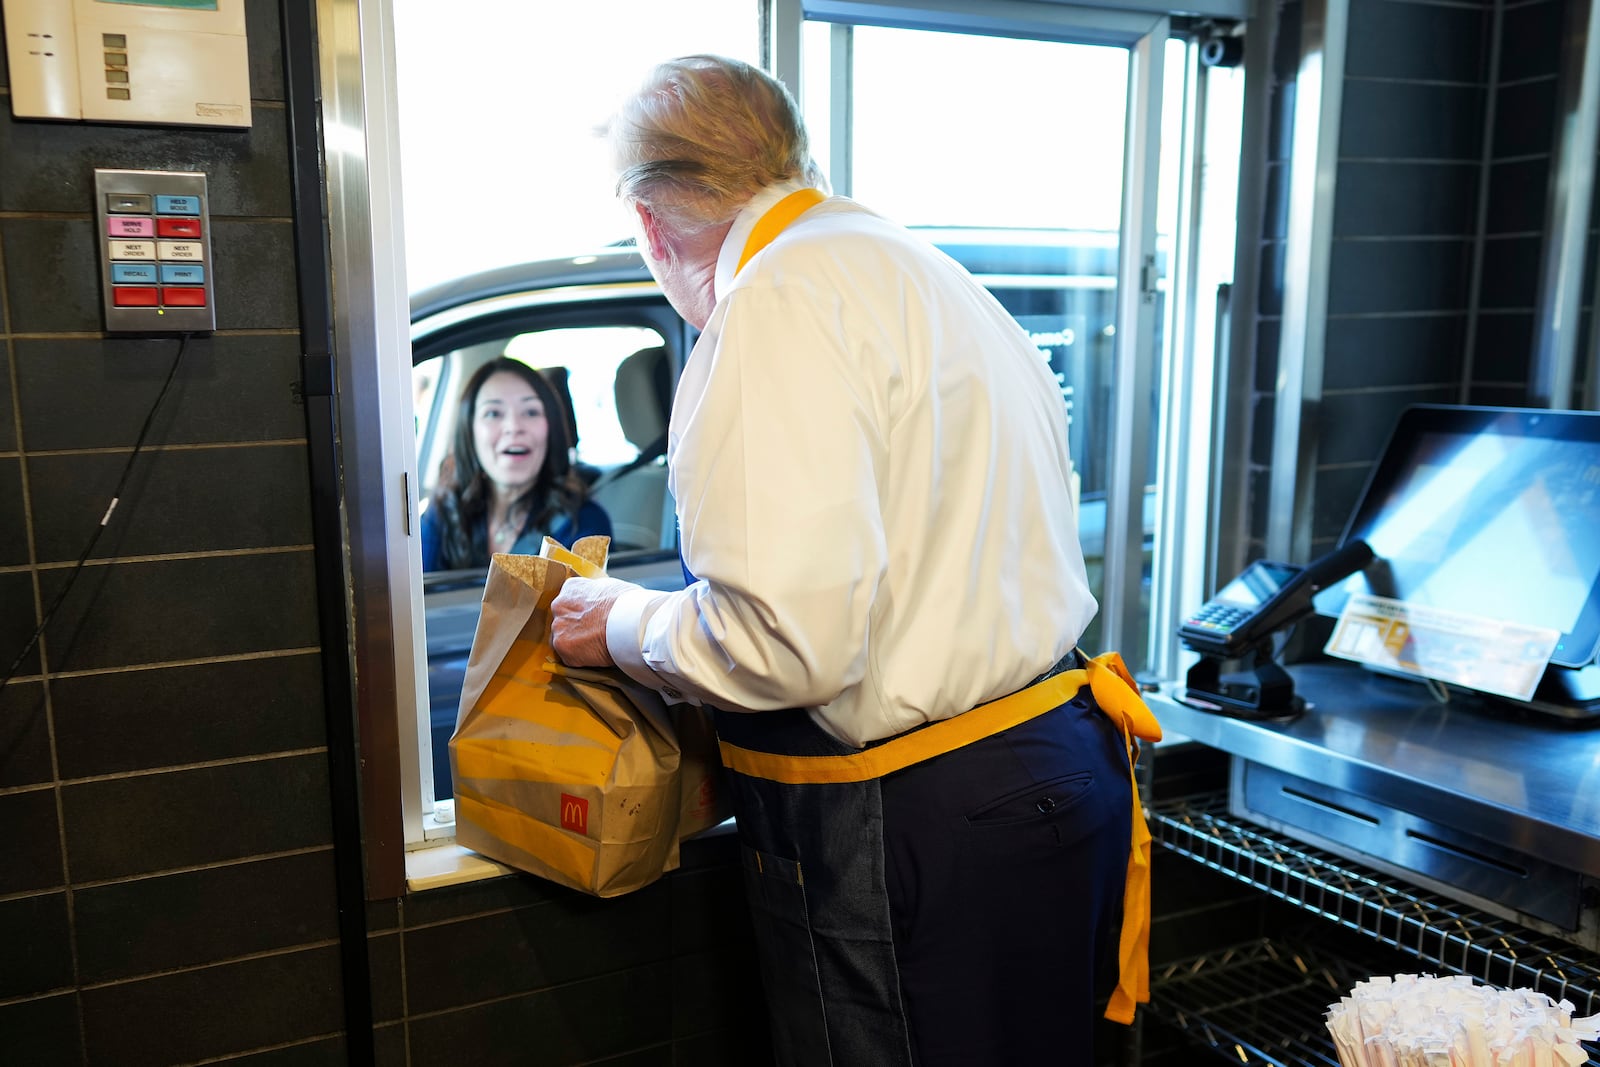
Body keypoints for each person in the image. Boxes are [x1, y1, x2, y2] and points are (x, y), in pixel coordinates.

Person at [549, 55, 1160, 1066]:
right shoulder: (920, 270)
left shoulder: (771, 306)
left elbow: (788, 645)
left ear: (652, 227)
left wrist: (619, 620)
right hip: (1060, 767)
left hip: (918, 819)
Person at [420, 357, 610, 571]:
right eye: (493, 413)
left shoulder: (584, 523)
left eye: (531, 412)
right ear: (469, 431)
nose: (513, 426)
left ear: (551, 427)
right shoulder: (442, 513)